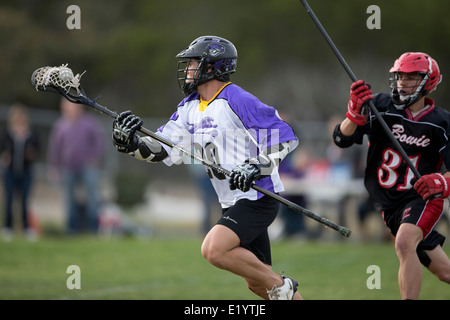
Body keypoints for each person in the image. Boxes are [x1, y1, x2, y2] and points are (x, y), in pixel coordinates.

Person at [111, 35, 302, 300]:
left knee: (214, 249)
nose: (188, 70)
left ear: (212, 67)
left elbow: (283, 136)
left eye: (193, 63)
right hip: (231, 202)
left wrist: (255, 167)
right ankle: (282, 288)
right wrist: (131, 144)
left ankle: (284, 284)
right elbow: (163, 148)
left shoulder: (237, 99)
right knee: (258, 285)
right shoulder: (188, 107)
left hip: (257, 197)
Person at [332, 52, 450, 299]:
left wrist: (440, 181)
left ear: (428, 81)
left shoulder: (442, 123)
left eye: (411, 77)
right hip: (390, 204)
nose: (403, 82)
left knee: (404, 243)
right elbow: (341, 139)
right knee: (445, 272)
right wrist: (354, 112)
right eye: (400, 76)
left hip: (422, 197)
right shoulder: (379, 106)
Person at [47, 98, 105, 234]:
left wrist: (94, 158)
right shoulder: (60, 125)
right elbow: (55, 149)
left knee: (92, 198)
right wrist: (54, 167)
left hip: (87, 167)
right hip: (68, 168)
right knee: (69, 199)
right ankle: (71, 229)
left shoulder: (89, 123)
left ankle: (93, 229)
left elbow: (100, 141)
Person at [0, 103, 40, 241]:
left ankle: (27, 227)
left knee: (24, 200)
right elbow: (2, 149)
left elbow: (37, 149)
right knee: (9, 199)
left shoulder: (31, 133)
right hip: (10, 171)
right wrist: (5, 156)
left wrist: (31, 154)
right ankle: (7, 227)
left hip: (26, 171)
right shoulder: (7, 133)